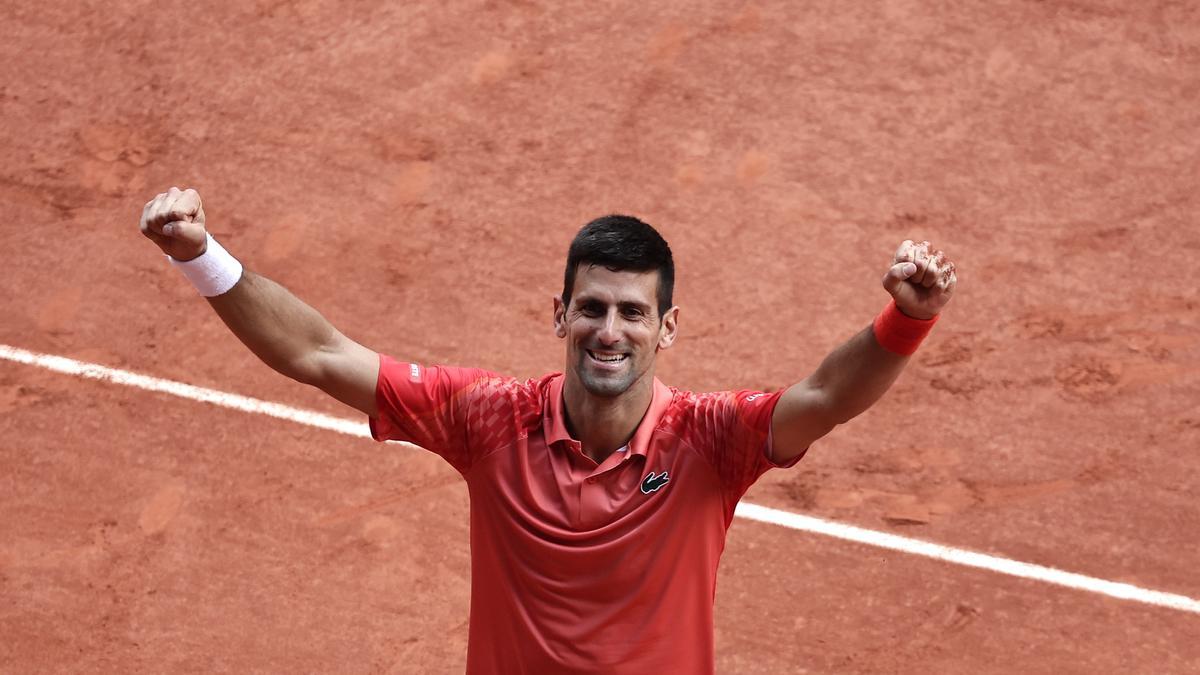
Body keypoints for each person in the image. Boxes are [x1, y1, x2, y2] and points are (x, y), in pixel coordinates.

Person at [139, 186, 957, 674]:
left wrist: (906, 321)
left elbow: (826, 394)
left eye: (634, 312)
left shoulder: (711, 439)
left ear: (666, 328)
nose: (610, 330)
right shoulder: (488, 417)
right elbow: (318, 352)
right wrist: (200, 254)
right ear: (560, 314)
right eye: (593, 307)